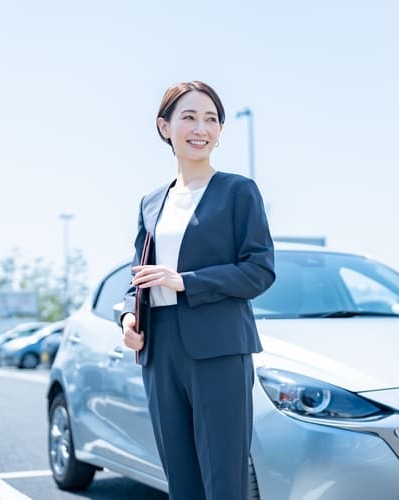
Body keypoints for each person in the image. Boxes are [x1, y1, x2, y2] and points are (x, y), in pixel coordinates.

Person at [119, 80, 275, 500]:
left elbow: (260, 271)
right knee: (181, 481)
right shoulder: (152, 202)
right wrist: (129, 316)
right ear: (164, 127)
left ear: (221, 131)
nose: (200, 128)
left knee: (224, 480)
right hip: (159, 350)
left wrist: (186, 283)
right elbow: (138, 275)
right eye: (188, 117)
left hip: (220, 347)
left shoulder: (238, 192)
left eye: (211, 119)